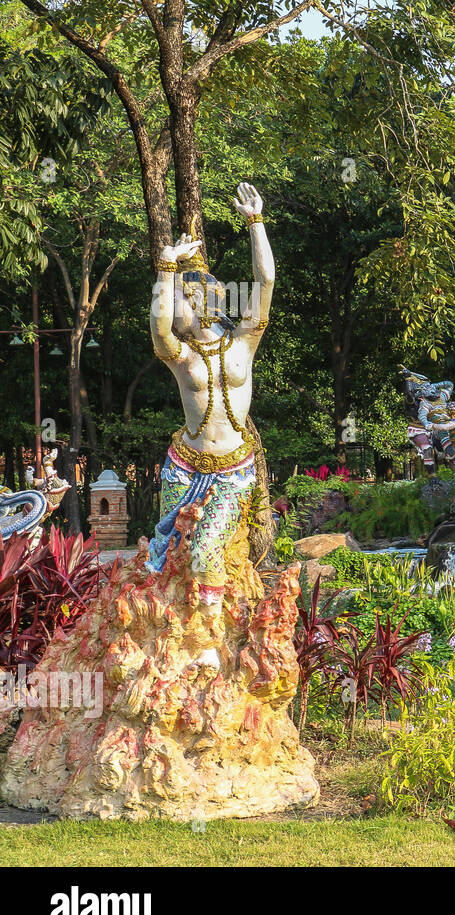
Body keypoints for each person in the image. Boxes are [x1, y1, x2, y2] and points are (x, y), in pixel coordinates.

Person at [145, 183, 272, 608]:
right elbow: (160, 328)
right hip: (183, 466)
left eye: (180, 296)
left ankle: (209, 648)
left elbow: (266, 280)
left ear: (201, 299)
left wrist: (255, 222)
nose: (172, 303)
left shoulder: (243, 342)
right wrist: (166, 267)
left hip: (234, 468)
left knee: (203, 553)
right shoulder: (180, 356)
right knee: (168, 560)